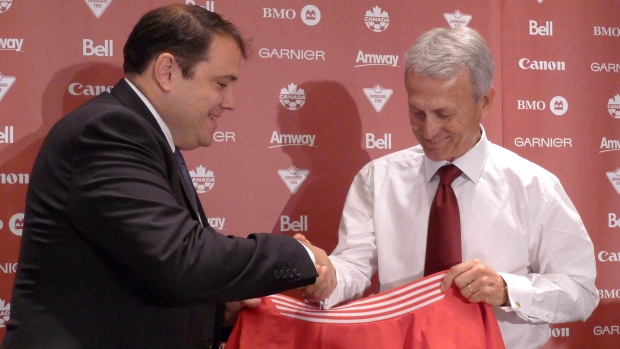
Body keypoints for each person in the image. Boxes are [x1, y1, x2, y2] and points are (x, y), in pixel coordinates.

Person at [1, 5, 330, 349]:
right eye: (220, 83)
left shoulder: (144, 136)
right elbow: (179, 259)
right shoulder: (108, 131)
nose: (229, 102)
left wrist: (219, 309)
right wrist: (297, 255)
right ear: (167, 70)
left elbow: (145, 267)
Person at [302, 27, 599, 349]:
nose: (429, 130)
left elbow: (580, 294)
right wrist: (328, 277)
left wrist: (507, 289)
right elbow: (354, 268)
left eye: (444, 114)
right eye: (417, 112)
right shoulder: (377, 179)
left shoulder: (534, 187)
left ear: (484, 101)